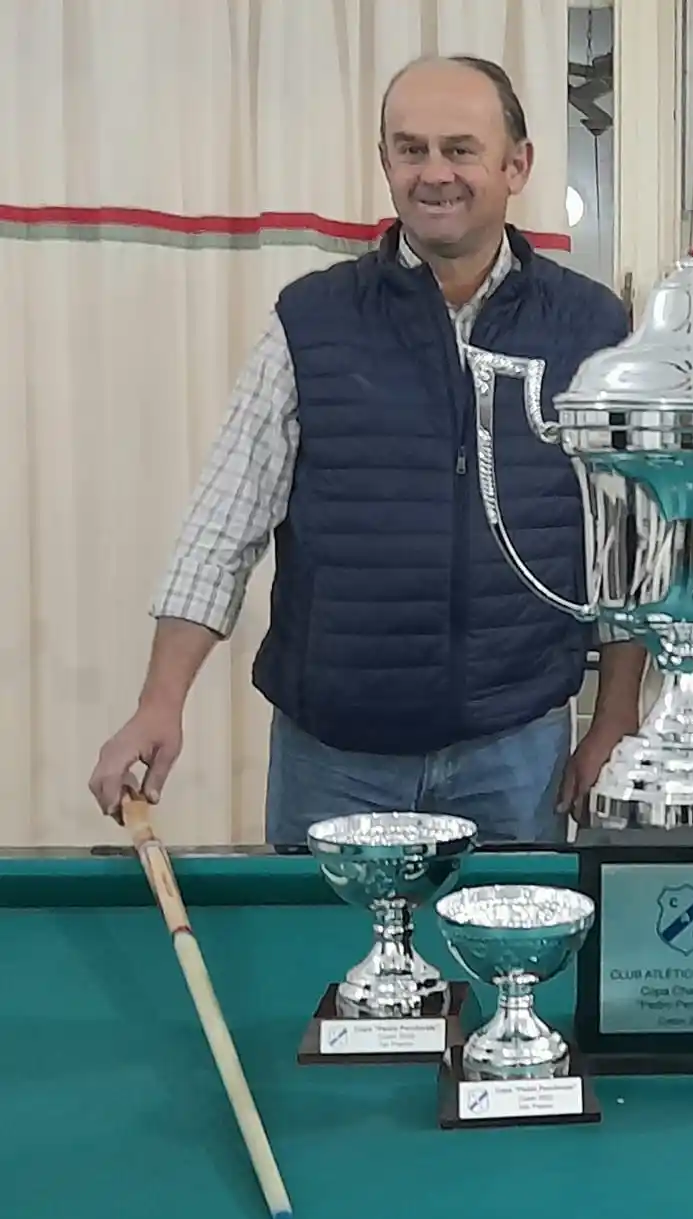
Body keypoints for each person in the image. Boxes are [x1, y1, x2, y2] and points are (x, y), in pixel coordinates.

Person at [89, 55, 646, 844]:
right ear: (384, 162)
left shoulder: (592, 329)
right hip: (333, 761)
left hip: (517, 755)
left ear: (516, 165)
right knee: (326, 971)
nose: (434, 173)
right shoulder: (310, 320)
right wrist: (158, 703)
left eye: (460, 148)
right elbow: (221, 528)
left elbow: (623, 547)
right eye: (410, 149)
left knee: (509, 974)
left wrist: (616, 715)